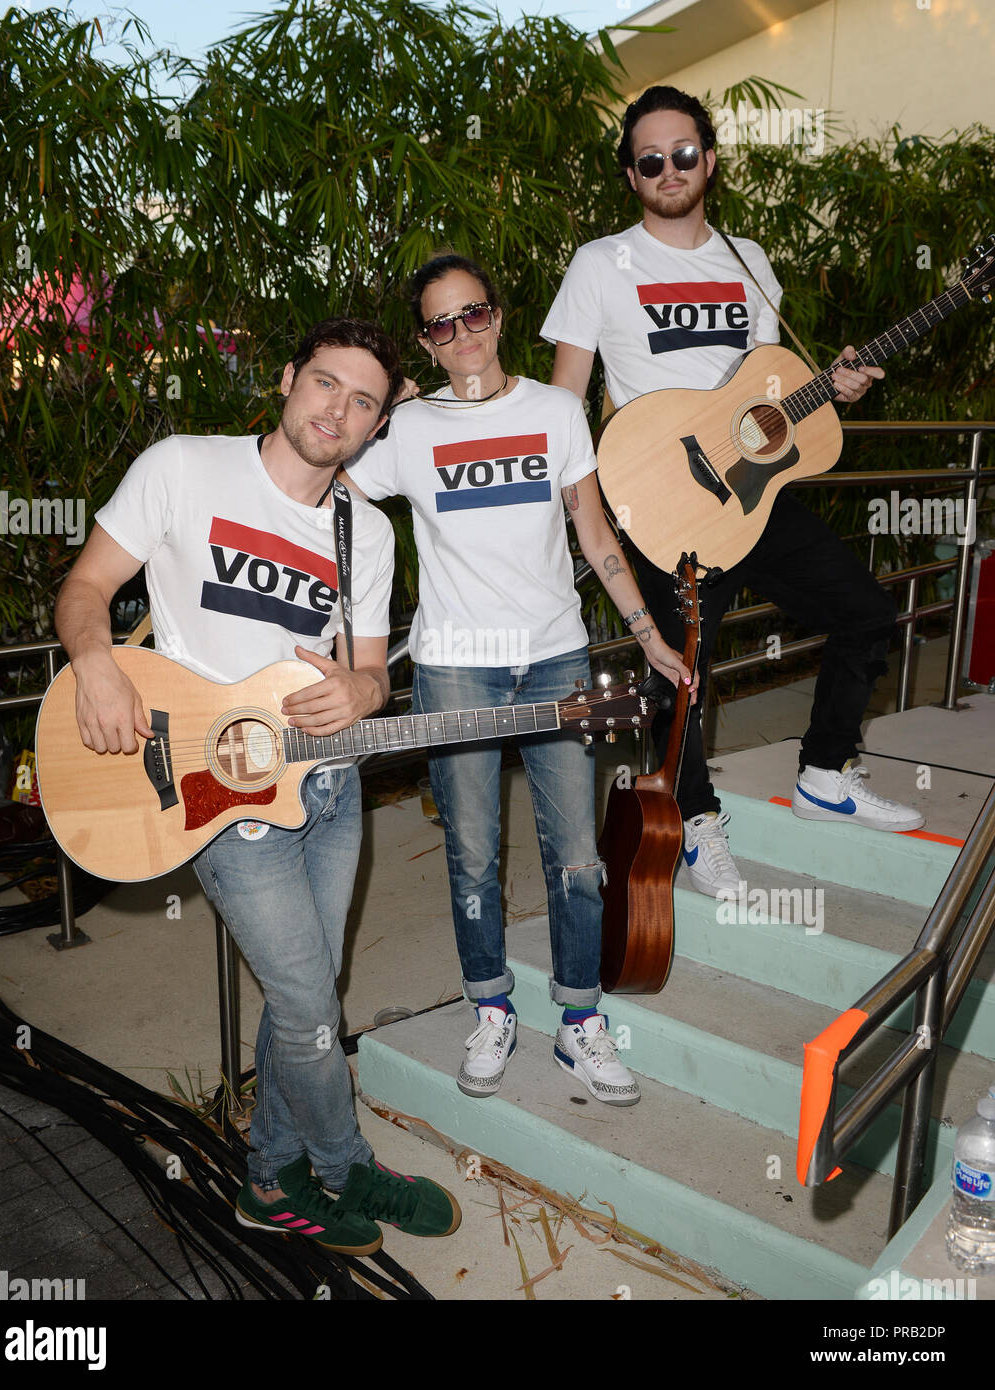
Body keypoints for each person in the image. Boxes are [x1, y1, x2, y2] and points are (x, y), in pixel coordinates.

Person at [53, 318, 461, 1256]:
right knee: (313, 1002)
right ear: (287, 379)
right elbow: (85, 588)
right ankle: (343, 1160)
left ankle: (269, 1181)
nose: (338, 410)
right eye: (325, 383)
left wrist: (364, 686)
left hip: (327, 788)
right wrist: (97, 663)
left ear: (378, 423)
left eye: (363, 401)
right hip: (218, 795)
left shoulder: (367, 530)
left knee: (309, 990)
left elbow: (371, 676)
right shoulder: (183, 467)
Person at [543, 85, 925, 899]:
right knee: (679, 674)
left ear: (709, 161)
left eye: (684, 153)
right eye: (651, 160)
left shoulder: (749, 259)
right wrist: (588, 511)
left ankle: (826, 772)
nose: (670, 169)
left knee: (866, 612)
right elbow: (562, 403)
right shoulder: (599, 264)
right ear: (632, 176)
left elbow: (771, 389)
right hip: (661, 495)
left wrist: (836, 387)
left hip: (754, 493)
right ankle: (694, 824)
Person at [344, 255, 695, 1106]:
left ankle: (579, 1022)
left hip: (555, 657)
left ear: (498, 317)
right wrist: (377, 410)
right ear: (426, 345)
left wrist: (647, 637)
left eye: (474, 315)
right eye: (440, 324)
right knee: (471, 855)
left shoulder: (555, 410)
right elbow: (330, 490)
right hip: (456, 666)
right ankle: (491, 1008)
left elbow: (595, 531)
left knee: (577, 855)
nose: (462, 334)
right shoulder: (413, 430)